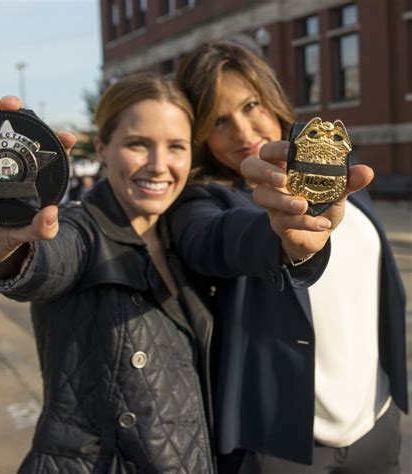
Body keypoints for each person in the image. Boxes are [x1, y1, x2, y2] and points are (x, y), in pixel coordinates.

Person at [0, 75, 217, 473]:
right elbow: (48, 260)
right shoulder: (78, 227)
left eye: (175, 147)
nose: (159, 165)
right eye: (138, 144)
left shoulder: (189, 236)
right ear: (102, 148)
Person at [170, 41, 407, 474]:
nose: (242, 132)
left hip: (377, 423)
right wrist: (281, 238)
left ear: (273, 96)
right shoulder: (202, 202)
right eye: (219, 120)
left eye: (251, 105)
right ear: (199, 134)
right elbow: (218, 242)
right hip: (283, 447)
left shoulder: (336, 169)